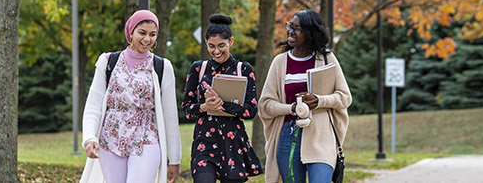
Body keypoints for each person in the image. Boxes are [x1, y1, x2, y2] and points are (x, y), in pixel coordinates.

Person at [79, 9, 181, 183]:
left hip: (147, 137)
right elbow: (93, 104)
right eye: (142, 33)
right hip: (111, 138)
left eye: (152, 34)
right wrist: (89, 138)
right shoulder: (108, 62)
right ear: (130, 32)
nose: (147, 39)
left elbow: (170, 114)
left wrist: (174, 158)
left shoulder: (162, 66)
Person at [257, 9, 352, 183]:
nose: (290, 32)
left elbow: (345, 97)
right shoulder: (280, 62)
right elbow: (265, 105)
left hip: (320, 135)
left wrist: (319, 100)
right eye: (290, 26)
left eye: (297, 29)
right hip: (288, 134)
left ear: (310, 33)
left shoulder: (327, 58)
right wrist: (292, 108)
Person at [182, 14, 262, 183]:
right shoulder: (198, 69)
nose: (216, 51)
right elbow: (187, 109)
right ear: (206, 43)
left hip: (233, 143)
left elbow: (251, 110)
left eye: (221, 46)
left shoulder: (243, 69)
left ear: (230, 41)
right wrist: (205, 107)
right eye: (211, 46)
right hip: (204, 143)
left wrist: (223, 105)